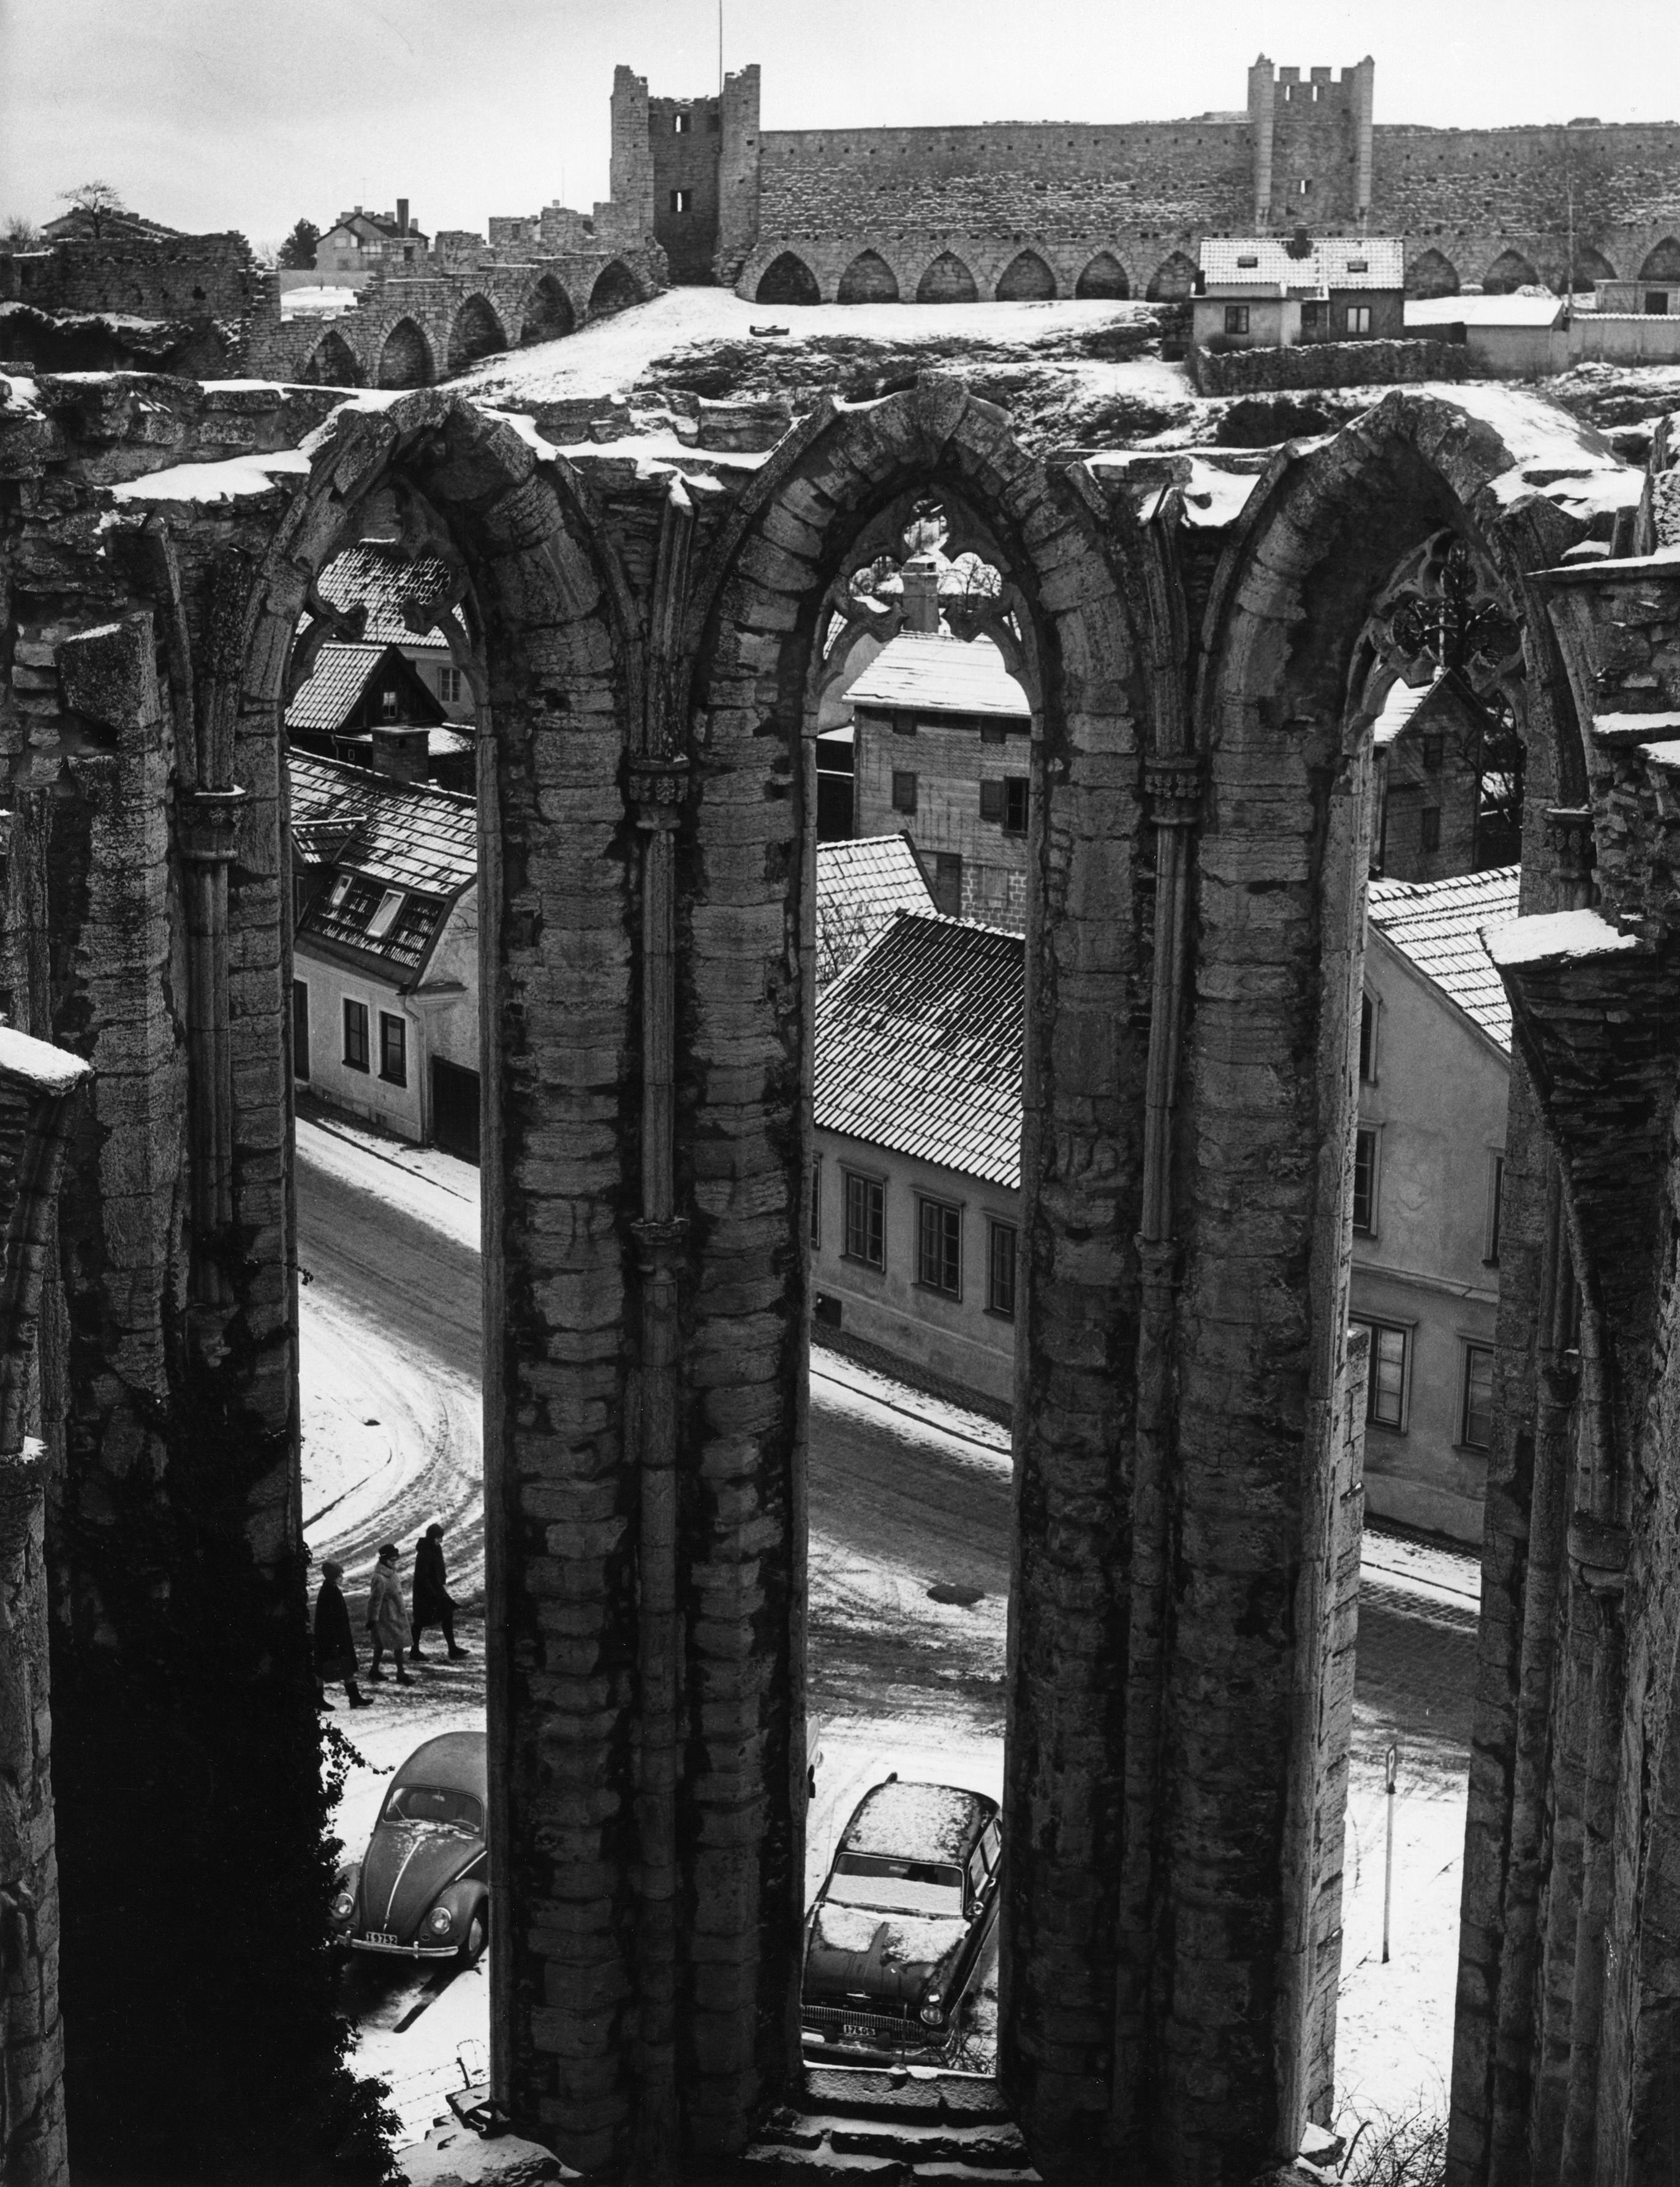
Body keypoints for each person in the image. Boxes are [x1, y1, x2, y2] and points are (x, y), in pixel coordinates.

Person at [313, 1559, 368, 1708]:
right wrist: (336, 1641)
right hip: (332, 1637)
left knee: (344, 1665)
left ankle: (354, 1697)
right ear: (334, 1577)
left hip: (335, 1636)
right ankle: (318, 1699)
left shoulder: (331, 1589)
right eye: (340, 1575)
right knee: (323, 1668)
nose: (342, 1577)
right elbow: (330, 1619)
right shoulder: (330, 1592)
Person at [411, 1522, 467, 1661]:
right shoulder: (424, 1552)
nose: (440, 1541)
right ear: (431, 1537)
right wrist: (433, 1593)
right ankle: (414, 1651)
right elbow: (422, 1576)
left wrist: (441, 1583)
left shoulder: (435, 1548)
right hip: (424, 1591)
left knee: (447, 1613)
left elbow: (438, 1567)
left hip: (436, 1588)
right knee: (419, 1621)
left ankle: (452, 1649)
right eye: (438, 1538)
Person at [366, 1543, 412, 1685]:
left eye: (395, 1560)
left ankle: (375, 1670)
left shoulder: (391, 1573)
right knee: (397, 1643)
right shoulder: (380, 1577)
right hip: (387, 1616)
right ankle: (400, 1673)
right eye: (392, 1560)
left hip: (394, 1613)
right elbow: (375, 1600)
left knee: (382, 1643)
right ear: (384, 1560)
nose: (394, 1563)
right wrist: (373, 1619)